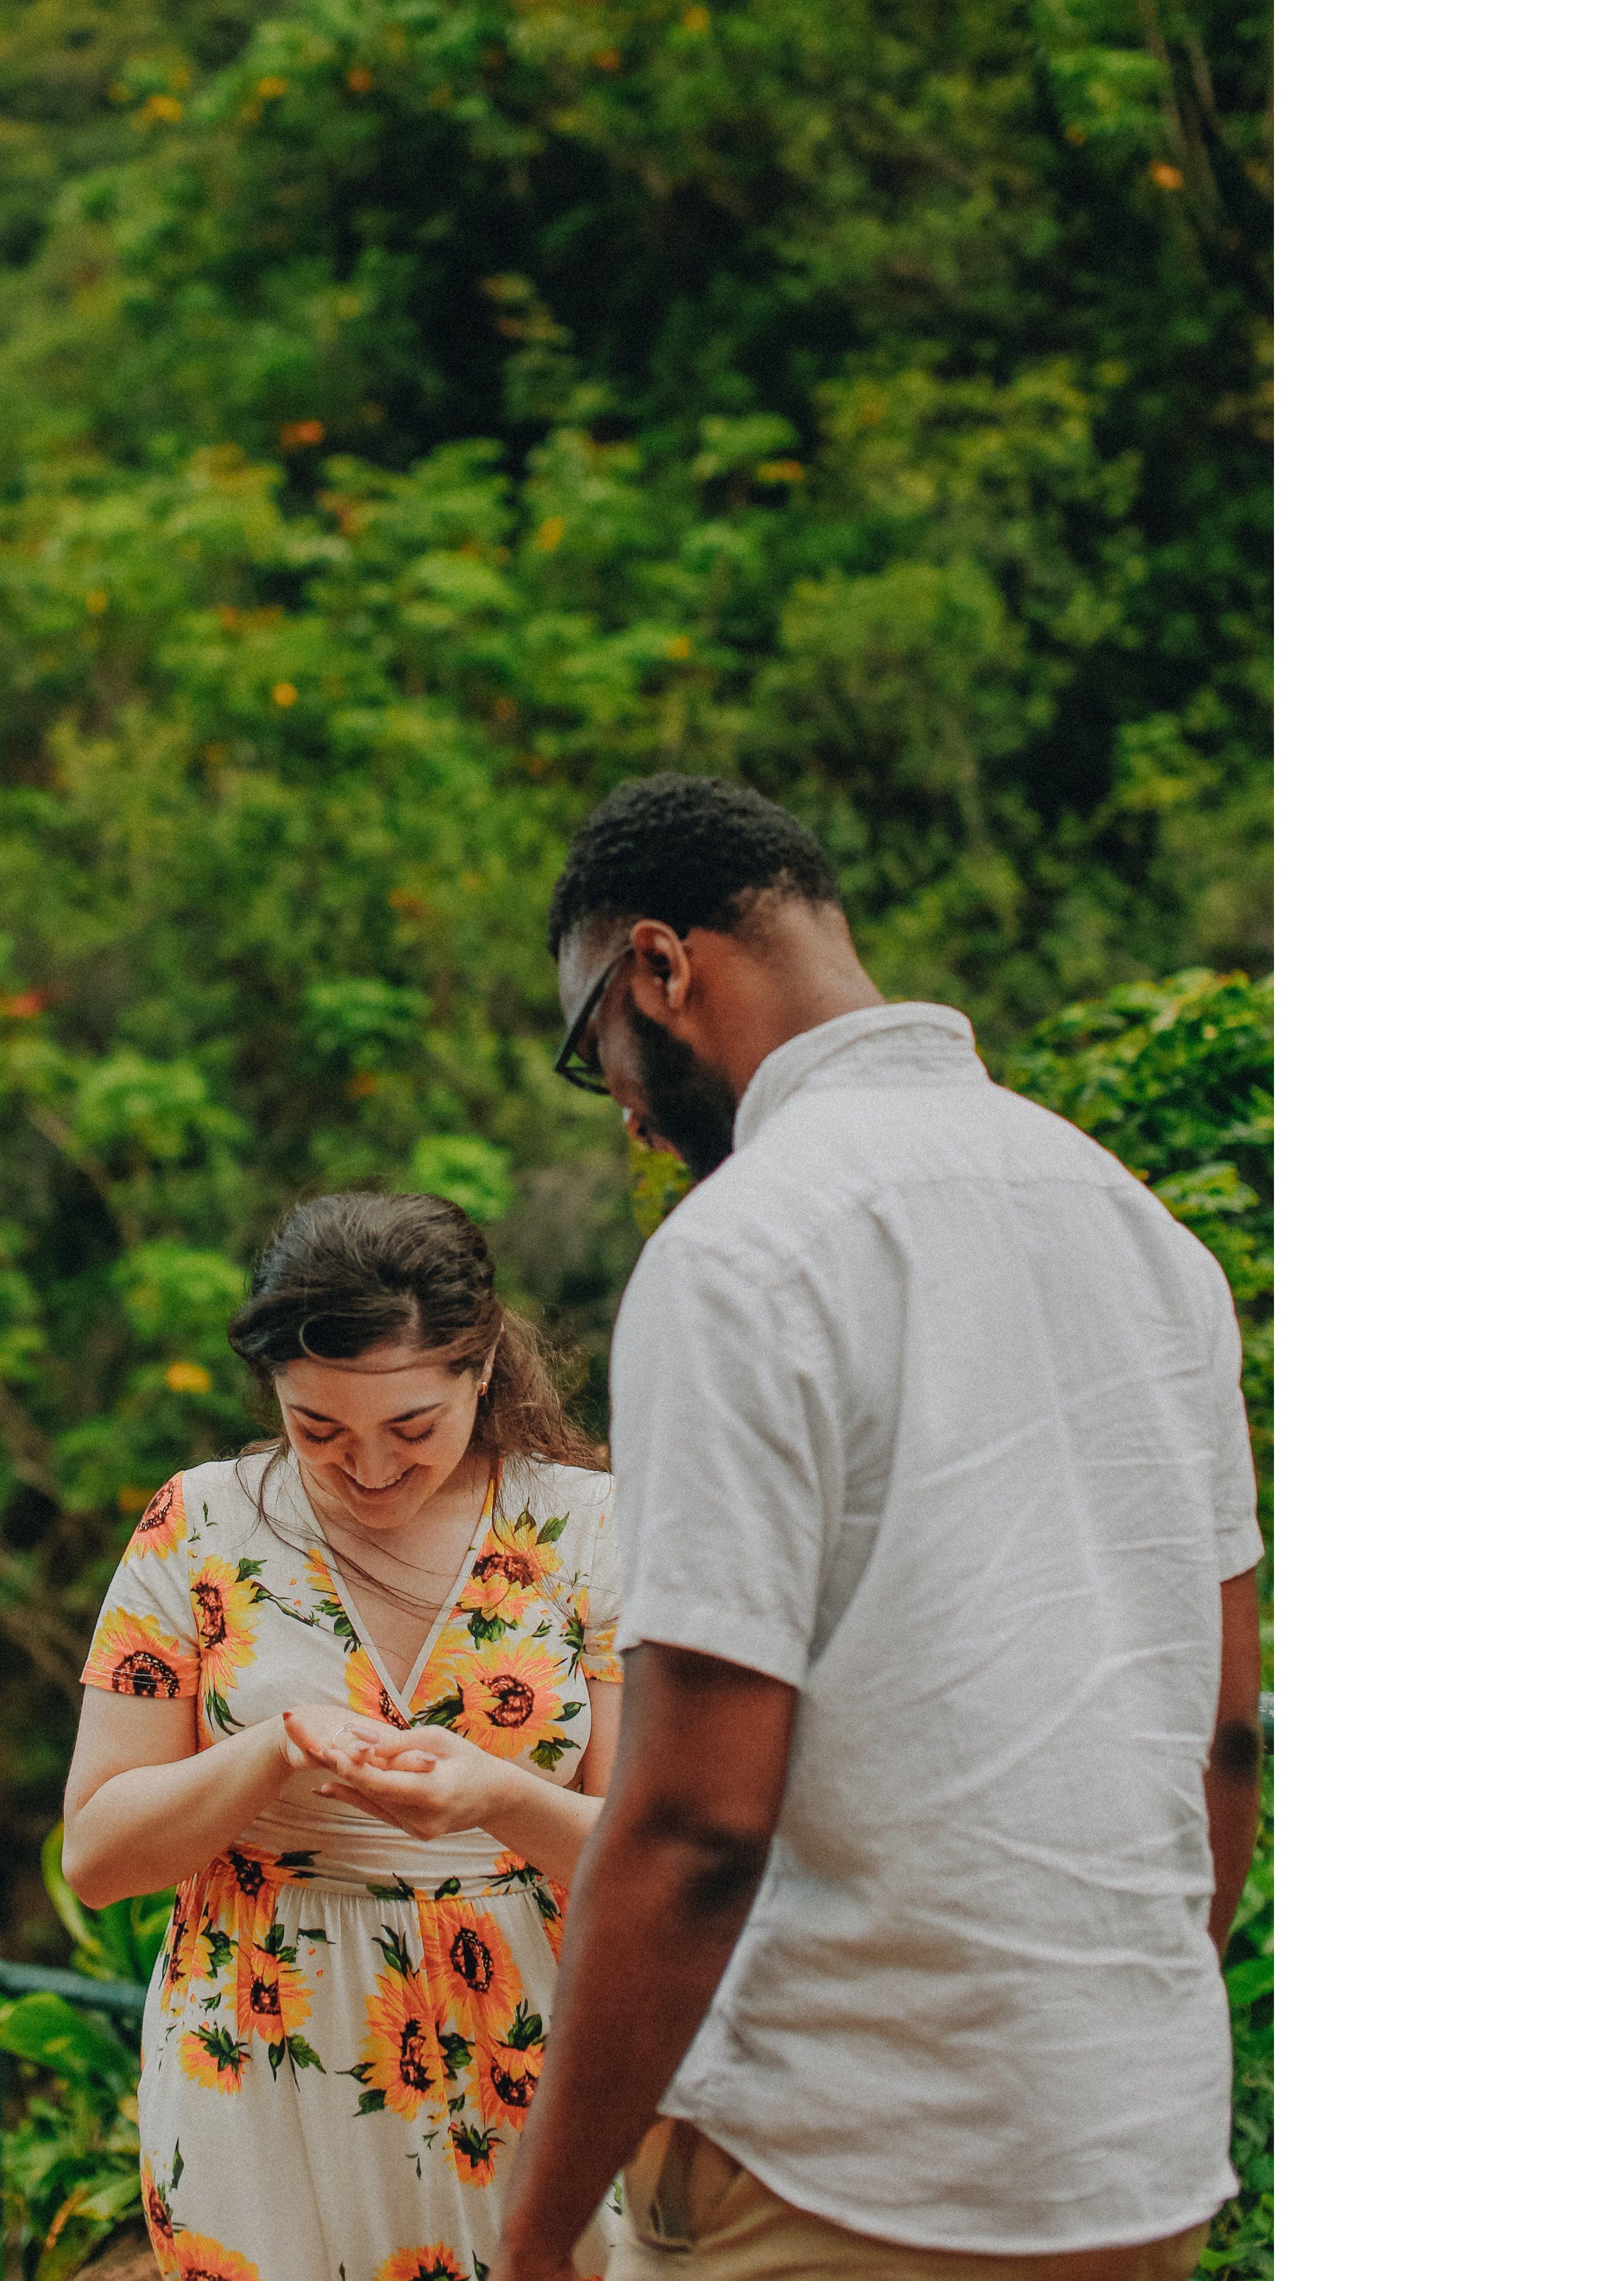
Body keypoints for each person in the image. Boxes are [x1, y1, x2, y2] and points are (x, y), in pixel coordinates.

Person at [494, 774, 1266, 2281]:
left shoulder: (737, 1255)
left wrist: (532, 2230)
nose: (627, 1110)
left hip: (844, 2172)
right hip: (1136, 2158)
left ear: (659, 966)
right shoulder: (1141, 1232)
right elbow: (1223, 1731)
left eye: (597, 1053)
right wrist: (1102, 2066)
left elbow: (697, 1821)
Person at [62, 1190, 626, 2281]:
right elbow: (96, 1856)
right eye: (317, 1429)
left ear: (481, 1370)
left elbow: (652, 1852)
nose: (368, 1468)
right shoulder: (197, 1527)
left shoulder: (589, 1529)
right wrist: (272, 1748)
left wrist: (499, 1798)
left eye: (412, 1428)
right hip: (260, 2058)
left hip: (540, 2055)